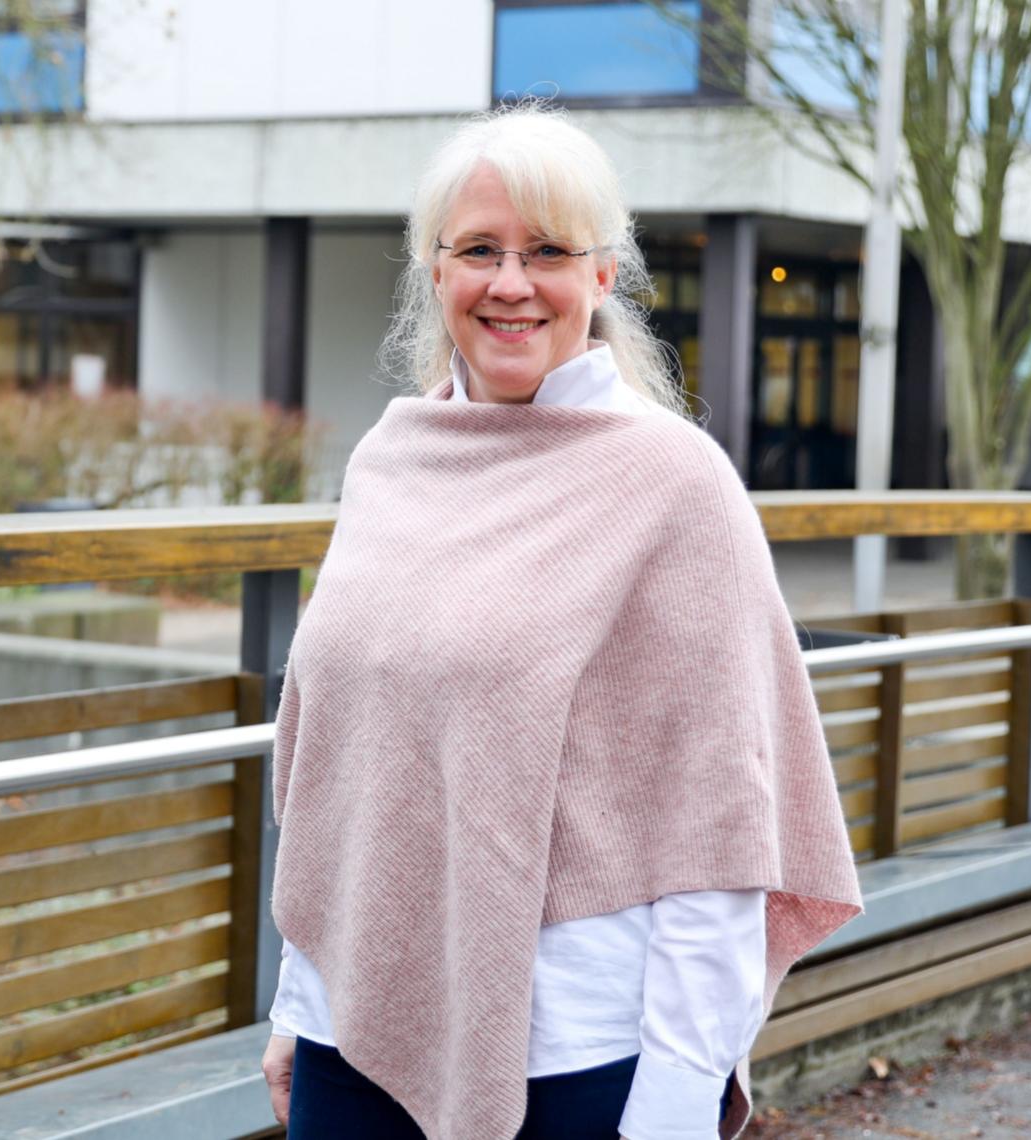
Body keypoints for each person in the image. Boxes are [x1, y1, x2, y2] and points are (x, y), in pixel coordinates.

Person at [256, 105, 863, 1140]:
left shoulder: (673, 486)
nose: (510, 283)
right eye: (479, 249)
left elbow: (715, 824)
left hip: (577, 1055)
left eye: (546, 251)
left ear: (602, 276)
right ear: (434, 271)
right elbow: (343, 775)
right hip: (352, 1033)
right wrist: (298, 1000)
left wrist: (676, 1095)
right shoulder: (389, 463)